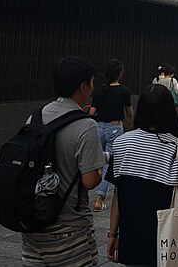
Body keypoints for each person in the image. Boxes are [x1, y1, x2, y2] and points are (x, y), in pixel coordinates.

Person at [20, 56, 105, 266]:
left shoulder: (35, 117)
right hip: (70, 231)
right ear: (83, 86)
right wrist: (100, 167)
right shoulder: (86, 125)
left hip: (32, 226)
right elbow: (90, 181)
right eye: (92, 82)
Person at [106, 85, 178, 266]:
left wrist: (112, 234)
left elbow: (118, 194)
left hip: (130, 235)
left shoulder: (121, 143)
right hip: (166, 239)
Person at [90, 59, 132, 212]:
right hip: (114, 128)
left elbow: (92, 112)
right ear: (120, 73)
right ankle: (100, 197)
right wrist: (129, 123)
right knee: (109, 162)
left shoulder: (99, 90)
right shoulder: (124, 91)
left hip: (98, 127)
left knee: (97, 160)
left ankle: (99, 187)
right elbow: (129, 112)